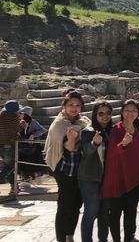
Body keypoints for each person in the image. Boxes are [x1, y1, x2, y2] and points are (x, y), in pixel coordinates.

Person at [44, 91, 91, 242]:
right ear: (64, 106)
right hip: (64, 168)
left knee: (77, 204)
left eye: (77, 105)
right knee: (65, 206)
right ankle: (61, 239)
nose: (74, 108)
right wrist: (71, 138)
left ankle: (70, 236)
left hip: (79, 168)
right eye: (71, 105)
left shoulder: (82, 121)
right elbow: (69, 147)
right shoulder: (59, 124)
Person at [101, 99, 139, 242]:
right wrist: (124, 144)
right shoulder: (116, 129)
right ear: (122, 112)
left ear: (138, 113)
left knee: (131, 213)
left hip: (133, 177)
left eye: (133, 110)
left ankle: (129, 238)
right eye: (127, 110)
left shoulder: (137, 129)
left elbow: (137, 150)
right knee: (115, 213)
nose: (130, 113)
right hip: (118, 178)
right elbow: (113, 153)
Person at [78, 102, 113, 242]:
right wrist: (95, 143)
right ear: (95, 115)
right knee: (91, 213)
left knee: (104, 213)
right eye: (101, 113)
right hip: (90, 177)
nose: (105, 117)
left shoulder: (112, 130)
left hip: (107, 178)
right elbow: (87, 150)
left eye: (108, 113)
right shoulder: (88, 131)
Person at [17, 105, 48, 185]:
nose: (19, 114)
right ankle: (26, 179)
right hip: (22, 147)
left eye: (21, 113)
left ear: (25, 114)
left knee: (35, 162)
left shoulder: (33, 122)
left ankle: (39, 176)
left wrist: (33, 135)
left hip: (33, 148)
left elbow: (43, 130)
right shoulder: (17, 121)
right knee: (23, 163)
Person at [0, 100, 23, 195]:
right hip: (9, 145)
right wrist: (22, 121)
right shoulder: (13, 117)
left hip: (0, 145)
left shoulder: (1, 115)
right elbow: (19, 129)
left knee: (7, 167)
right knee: (10, 167)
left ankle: (14, 187)